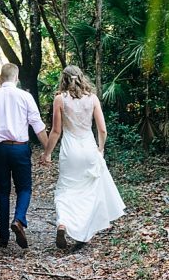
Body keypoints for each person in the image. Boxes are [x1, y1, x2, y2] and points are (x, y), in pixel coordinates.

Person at [40, 64, 124, 248]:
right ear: (81, 77)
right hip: (88, 148)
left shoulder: (59, 100)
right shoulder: (92, 99)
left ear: (63, 79)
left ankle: (63, 222)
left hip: (70, 151)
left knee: (65, 189)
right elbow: (102, 129)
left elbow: (55, 131)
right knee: (87, 193)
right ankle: (82, 233)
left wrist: (47, 153)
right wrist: (100, 149)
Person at [0, 63, 49, 249]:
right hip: (20, 149)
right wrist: (48, 151)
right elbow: (38, 126)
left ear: (1, 78)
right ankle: (19, 219)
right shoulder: (25, 97)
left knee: (2, 191)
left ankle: (3, 238)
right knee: (24, 188)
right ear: (16, 78)